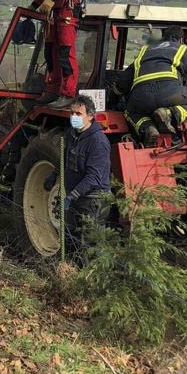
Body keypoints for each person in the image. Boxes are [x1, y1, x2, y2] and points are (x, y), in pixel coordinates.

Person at [111, 26, 187, 144]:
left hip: (141, 96)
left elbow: (122, 84)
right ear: (181, 40)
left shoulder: (145, 51)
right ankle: (170, 114)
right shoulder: (182, 49)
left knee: (131, 112)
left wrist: (113, 99)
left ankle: (148, 128)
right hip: (169, 93)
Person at [43, 94, 111, 257]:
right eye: (72, 113)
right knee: (70, 238)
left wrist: (72, 195)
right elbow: (65, 158)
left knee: (90, 245)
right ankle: (70, 274)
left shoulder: (98, 142)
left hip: (93, 200)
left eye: (78, 114)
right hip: (76, 197)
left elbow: (93, 177)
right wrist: (54, 175)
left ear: (90, 116)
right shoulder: (72, 134)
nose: (74, 117)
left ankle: (90, 279)